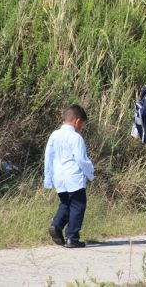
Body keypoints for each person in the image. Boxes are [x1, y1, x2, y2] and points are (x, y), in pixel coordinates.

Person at [43, 104, 94, 248]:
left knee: (65, 203)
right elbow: (81, 159)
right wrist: (90, 173)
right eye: (82, 125)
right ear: (77, 121)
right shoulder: (75, 137)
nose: (81, 128)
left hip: (59, 177)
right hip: (73, 176)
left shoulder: (54, 135)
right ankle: (72, 237)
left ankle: (56, 225)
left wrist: (48, 177)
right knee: (78, 205)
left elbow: (48, 157)